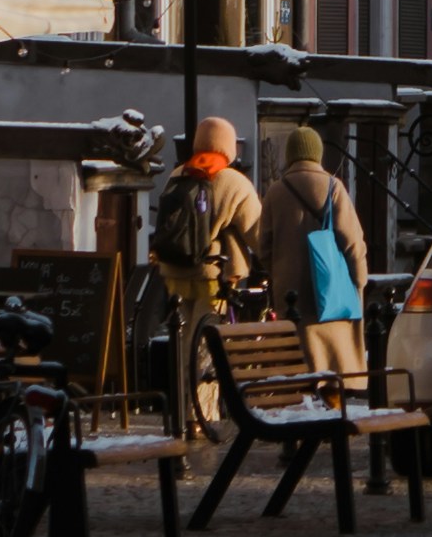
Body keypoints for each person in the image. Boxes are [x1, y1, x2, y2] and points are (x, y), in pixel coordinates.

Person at [144, 111, 262, 424]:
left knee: (181, 342)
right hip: (214, 277)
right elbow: (258, 233)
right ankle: (201, 415)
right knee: (207, 347)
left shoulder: (179, 173)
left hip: (175, 273)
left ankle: (181, 412)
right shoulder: (234, 181)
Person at [262, 131, 370, 380]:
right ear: (317, 154)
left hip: (290, 292)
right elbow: (352, 242)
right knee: (333, 363)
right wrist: (358, 281)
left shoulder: (276, 191)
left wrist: (279, 270)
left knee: (299, 361)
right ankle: (330, 403)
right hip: (331, 292)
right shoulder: (333, 187)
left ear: (289, 155)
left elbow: (264, 247)